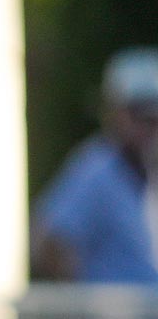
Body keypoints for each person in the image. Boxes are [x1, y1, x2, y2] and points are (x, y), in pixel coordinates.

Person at [33, 48, 158, 284]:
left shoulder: (148, 170)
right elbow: (49, 242)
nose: (150, 126)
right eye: (139, 114)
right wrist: (85, 301)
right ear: (115, 112)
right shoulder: (97, 169)